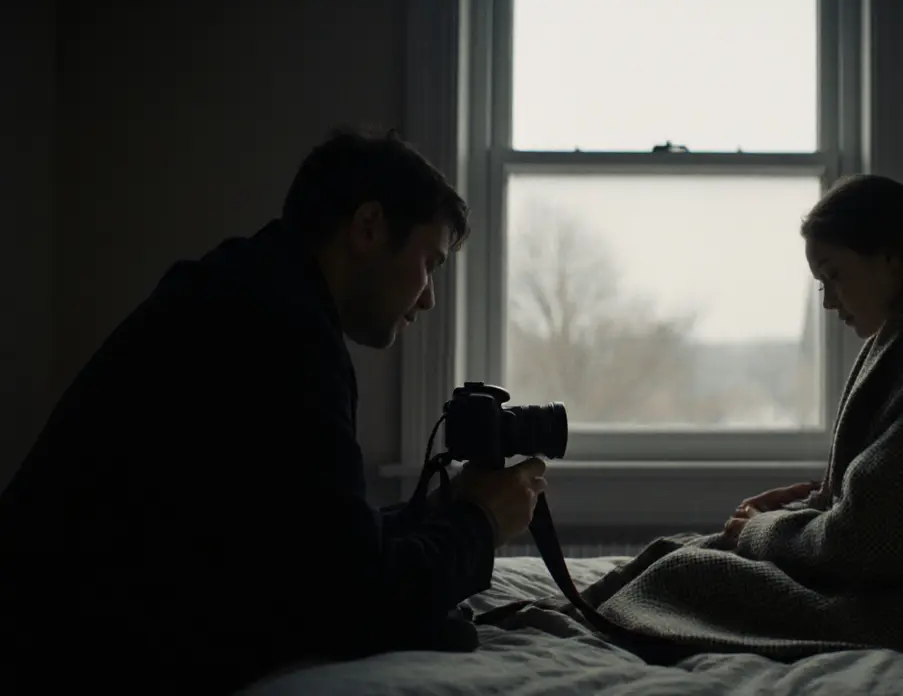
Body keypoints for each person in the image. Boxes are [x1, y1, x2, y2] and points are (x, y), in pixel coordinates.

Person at [0, 128, 546, 692]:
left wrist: (437, 513)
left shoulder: (245, 288)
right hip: (66, 659)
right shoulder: (287, 334)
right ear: (368, 227)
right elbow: (351, 594)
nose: (429, 297)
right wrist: (481, 523)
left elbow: (298, 540)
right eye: (429, 263)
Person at [505, 173, 903, 664]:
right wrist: (799, 511)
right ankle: (574, 612)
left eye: (835, 276)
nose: (828, 302)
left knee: (692, 575)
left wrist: (766, 532)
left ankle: (578, 629)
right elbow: (902, 499)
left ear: (894, 257)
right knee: (683, 548)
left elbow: (868, 543)